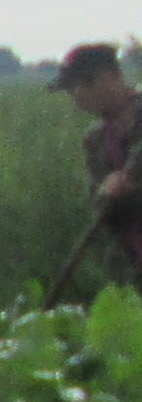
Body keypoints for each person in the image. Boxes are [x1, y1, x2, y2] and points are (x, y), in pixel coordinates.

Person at [51, 42, 142, 282]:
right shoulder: (96, 140)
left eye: (86, 84)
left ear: (113, 76)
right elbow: (98, 199)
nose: (79, 97)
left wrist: (129, 178)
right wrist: (106, 193)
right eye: (71, 90)